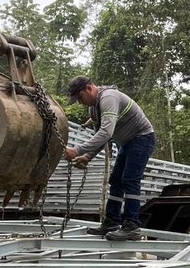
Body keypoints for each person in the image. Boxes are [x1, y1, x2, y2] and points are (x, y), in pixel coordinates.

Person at [63, 76, 156, 242]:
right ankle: (112, 221)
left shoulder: (109, 98)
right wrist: (87, 157)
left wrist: (77, 150)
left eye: (80, 98)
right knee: (116, 180)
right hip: (127, 142)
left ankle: (132, 225)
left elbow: (106, 133)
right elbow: (102, 137)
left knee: (130, 179)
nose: (80, 103)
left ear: (89, 88)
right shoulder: (94, 108)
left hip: (142, 137)